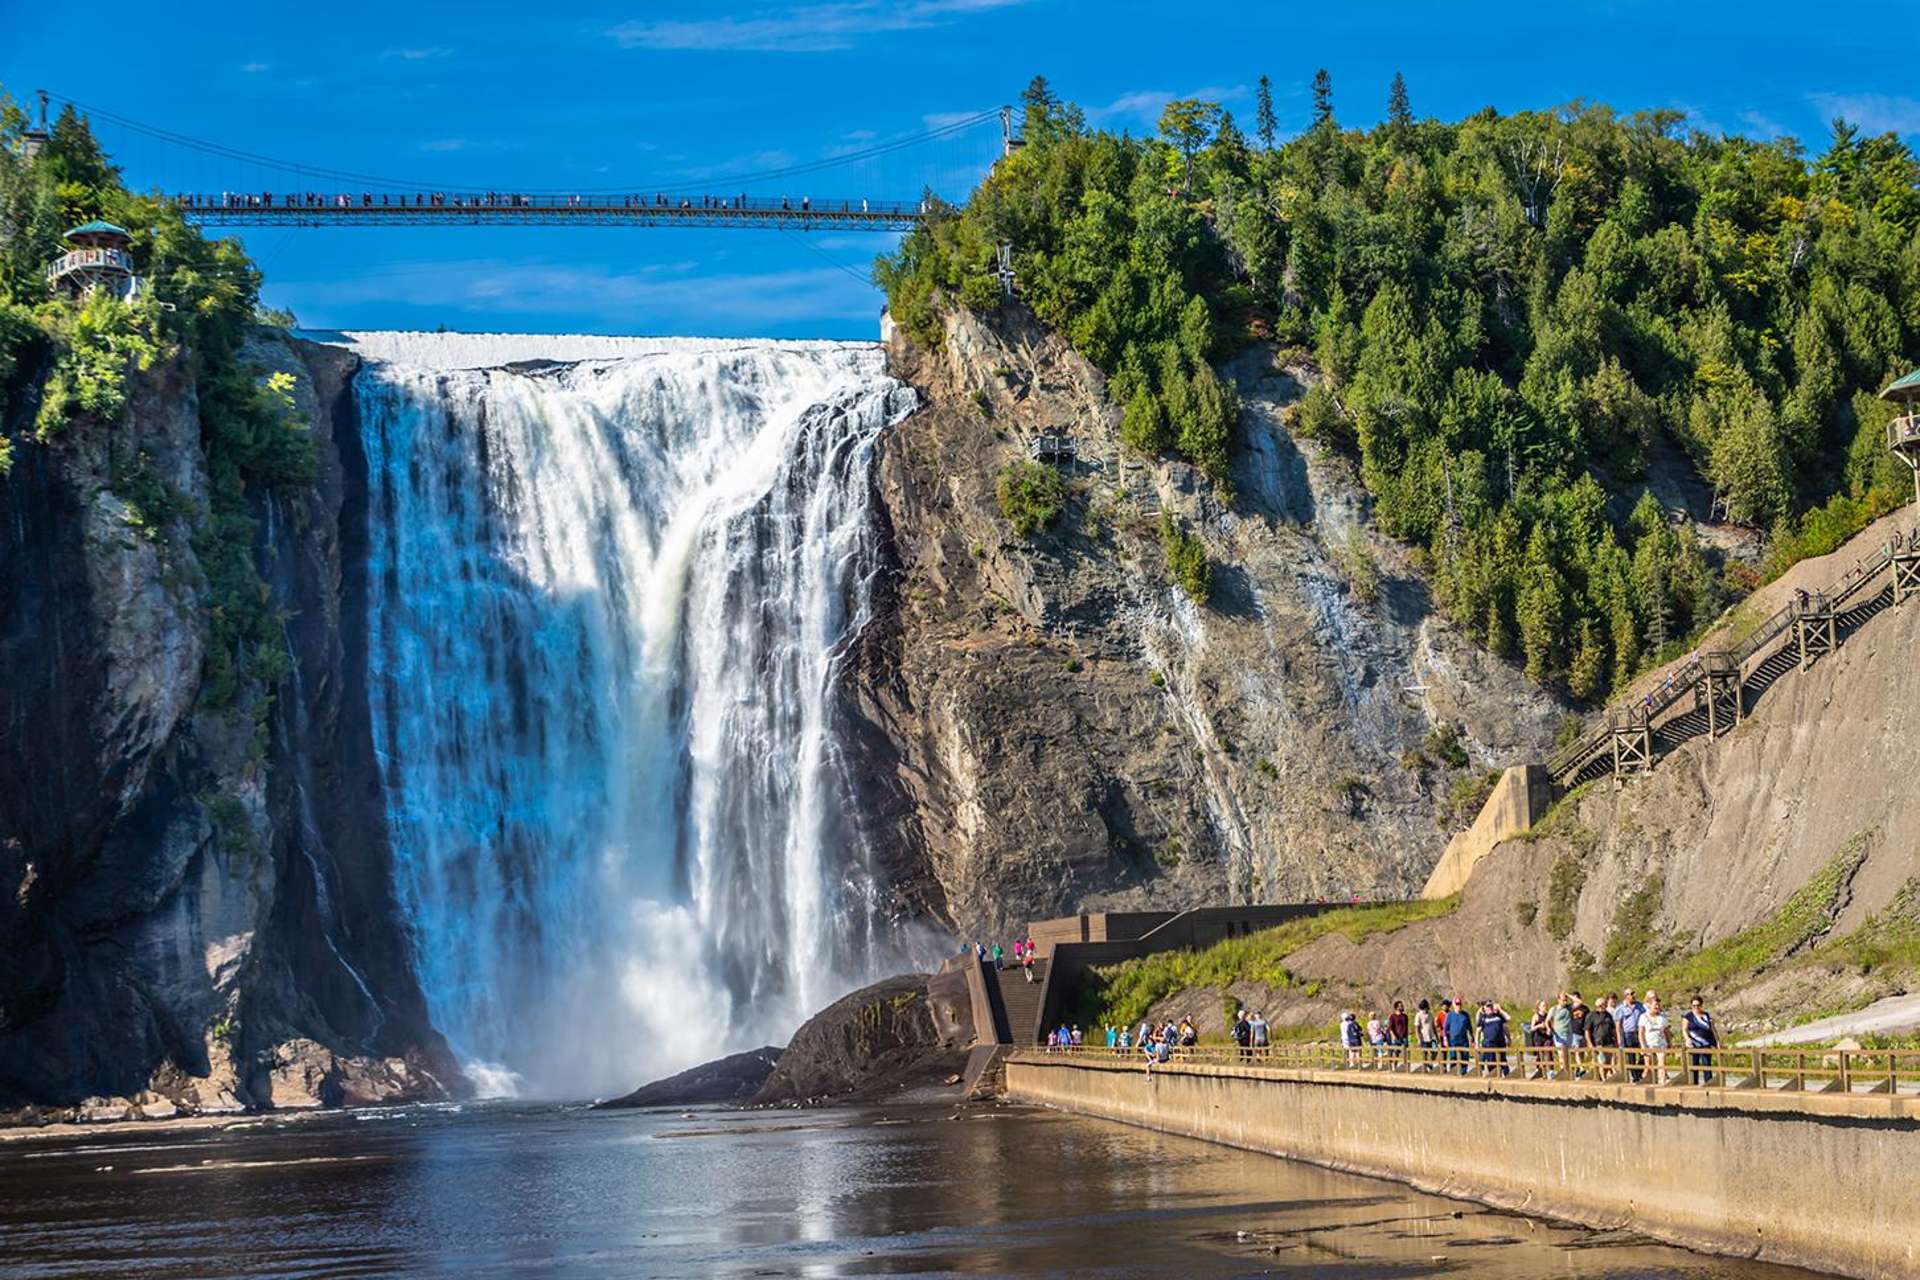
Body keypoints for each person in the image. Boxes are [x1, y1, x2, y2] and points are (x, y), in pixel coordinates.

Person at [1683, 995, 1717, 1084]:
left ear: (1701, 1005)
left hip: (1705, 1043)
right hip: (1693, 1044)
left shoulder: (1706, 1015)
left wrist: (1717, 1041)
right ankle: (1694, 1084)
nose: (1696, 1007)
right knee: (1694, 1065)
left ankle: (1709, 1083)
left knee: (1707, 1065)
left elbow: (1712, 1029)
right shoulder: (1688, 1016)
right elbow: (1684, 1029)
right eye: (1693, 1005)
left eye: (1698, 1005)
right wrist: (1687, 1039)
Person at [1616, 986, 1646, 1082]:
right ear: (1626, 996)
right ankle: (1635, 1076)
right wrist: (1619, 1038)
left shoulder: (1640, 1006)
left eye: (1633, 993)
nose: (1633, 995)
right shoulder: (1621, 1008)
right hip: (1627, 1033)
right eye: (1631, 994)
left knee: (1643, 1054)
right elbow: (1618, 1024)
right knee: (1631, 1056)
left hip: (1639, 1032)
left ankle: (1638, 1071)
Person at [1586, 994, 1619, 1081]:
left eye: (1604, 1004)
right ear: (1597, 1006)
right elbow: (1587, 1030)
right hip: (1598, 1042)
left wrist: (1616, 1040)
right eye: (1601, 1005)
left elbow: (1613, 1029)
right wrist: (1589, 1043)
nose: (1603, 1006)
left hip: (1609, 1042)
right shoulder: (1591, 1016)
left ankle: (1603, 1076)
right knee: (1602, 1061)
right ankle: (1603, 1078)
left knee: (1608, 1062)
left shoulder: (1608, 1015)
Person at [1641, 995, 1671, 1083]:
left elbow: (1667, 1031)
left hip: (1661, 1044)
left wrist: (1669, 1043)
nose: (1657, 1007)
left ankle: (1662, 1081)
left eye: (1658, 1005)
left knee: (1662, 1064)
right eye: (1655, 1005)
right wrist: (1643, 1045)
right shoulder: (1644, 1017)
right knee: (1649, 1066)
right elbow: (1641, 1032)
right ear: (1650, 1005)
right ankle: (1647, 1081)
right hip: (1649, 1044)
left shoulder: (1662, 1018)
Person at [1477, 1000, 1510, 1075]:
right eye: (1487, 1006)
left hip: (1500, 1043)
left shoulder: (1498, 1016)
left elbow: (1508, 1019)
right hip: (1489, 1044)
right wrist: (1477, 1043)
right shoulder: (1483, 1018)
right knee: (1491, 1063)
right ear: (1484, 1008)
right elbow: (1478, 1031)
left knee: (1503, 1061)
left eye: (1491, 1006)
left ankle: (1506, 1076)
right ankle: (1493, 1076)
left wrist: (1500, 1010)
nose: (1490, 1008)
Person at [1443, 1000, 1473, 1075]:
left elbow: (1469, 1028)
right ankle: (1453, 1073)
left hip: (1463, 1040)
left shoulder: (1465, 1015)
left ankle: (1463, 1073)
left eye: (1459, 1004)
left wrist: (1472, 1038)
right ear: (1454, 1005)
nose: (1458, 1006)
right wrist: (1445, 1039)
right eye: (1457, 1004)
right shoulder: (1450, 1015)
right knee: (1453, 1057)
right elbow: (1445, 1028)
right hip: (1453, 1040)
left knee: (1464, 1057)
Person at [1528, 1001, 1553, 1076]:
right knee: (1540, 1053)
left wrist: (1549, 1029)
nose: (1545, 1007)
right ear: (1539, 1007)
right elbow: (1532, 1028)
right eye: (1543, 1006)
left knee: (1549, 1051)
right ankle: (1539, 1069)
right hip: (1539, 1037)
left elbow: (1551, 1024)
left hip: (1547, 1036)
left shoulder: (1548, 1015)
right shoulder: (1536, 1016)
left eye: (1545, 1005)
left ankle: (1551, 1070)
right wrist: (1539, 1026)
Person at [1414, 999, 1438, 1071]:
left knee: (1435, 1051)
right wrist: (1418, 1038)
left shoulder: (1430, 1015)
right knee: (1424, 1054)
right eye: (1423, 1009)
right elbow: (1416, 1028)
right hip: (1423, 1038)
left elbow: (1433, 1026)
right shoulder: (1418, 1015)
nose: (1425, 1010)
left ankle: (1429, 1063)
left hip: (1431, 1037)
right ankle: (1425, 1068)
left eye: (1426, 1008)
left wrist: (1437, 1037)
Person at [1386, 1000, 1410, 1068]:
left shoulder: (1405, 1016)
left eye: (1402, 1005)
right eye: (1400, 1006)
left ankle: (1405, 1066)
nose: (1402, 1007)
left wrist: (1407, 1036)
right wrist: (1393, 1035)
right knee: (1396, 1051)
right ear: (1396, 1007)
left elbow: (1406, 1026)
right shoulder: (1392, 1016)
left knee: (1405, 1050)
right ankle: (1395, 1066)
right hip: (1396, 1036)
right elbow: (1391, 1027)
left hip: (1404, 1036)